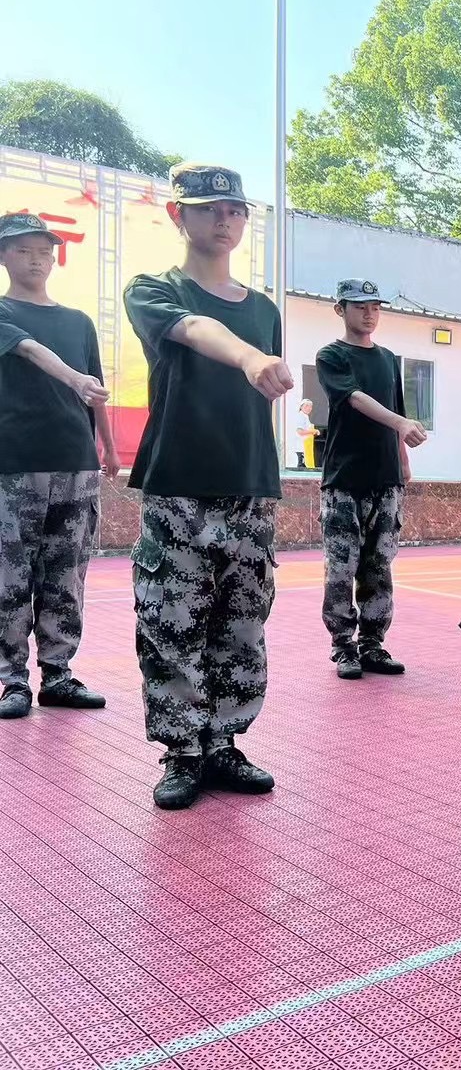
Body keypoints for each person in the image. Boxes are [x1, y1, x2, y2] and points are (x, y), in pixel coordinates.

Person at [123, 163, 293, 810]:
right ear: (179, 215)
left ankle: (223, 744)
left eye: (235, 210)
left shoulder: (265, 309)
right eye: (208, 209)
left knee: (241, 623)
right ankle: (183, 753)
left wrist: (258, 356)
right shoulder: (153, 290)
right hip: (179, 485)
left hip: (248, 485)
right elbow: (196, 330)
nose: (224, 220)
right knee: (171, 621)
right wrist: (249, 356)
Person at [0, 212, 119, 720]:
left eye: (44, 251)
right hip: (15, 463)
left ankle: (58, 674)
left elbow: (95, 388)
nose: (36, 259)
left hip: (76, 462)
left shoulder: (79, 321)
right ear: (3, 256)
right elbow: (30, 351)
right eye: (23, 249)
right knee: (10, 575)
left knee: (66, 574)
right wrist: (74, 379)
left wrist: (108, 447)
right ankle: (12, 680)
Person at [316, 279, 428, 680]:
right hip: (345, 480)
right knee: (341, 568)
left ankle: (372, 644)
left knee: (379, 566)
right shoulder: (332, 356)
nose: (369, 314)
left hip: (386, 479)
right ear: (341, 309)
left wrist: (403, 461)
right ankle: (343, 646)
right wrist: (401, 423)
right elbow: (355, 398)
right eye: (360, 306)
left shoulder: (388, 359)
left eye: (375, 307)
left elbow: (396, 408)